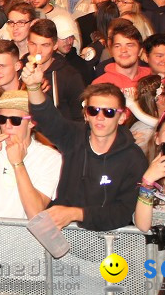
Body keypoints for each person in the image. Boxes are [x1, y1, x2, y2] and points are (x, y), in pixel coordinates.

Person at [22, 62, 145, 231]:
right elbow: (47, 119)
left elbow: (123, 212)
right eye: (93, 110)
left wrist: (76, 214)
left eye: (108, 112)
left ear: (122, 117)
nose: (100, 117)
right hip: (64, 240)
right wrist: (33, 87)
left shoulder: (134, 158)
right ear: (86, 115)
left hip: (107, 243)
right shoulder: (75, 136)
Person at [0, 89, 61, 219]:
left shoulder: (50, 158)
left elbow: (35, 213)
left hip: (25, 237)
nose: (7, 126)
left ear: (31, 122)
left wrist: (18, 163)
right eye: (2, 119)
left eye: (15, 120)